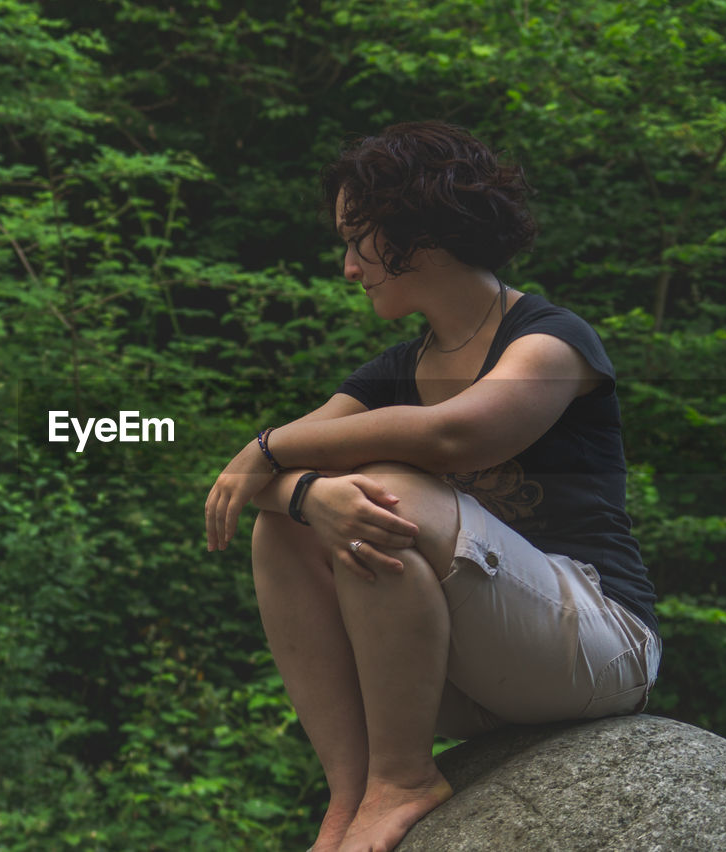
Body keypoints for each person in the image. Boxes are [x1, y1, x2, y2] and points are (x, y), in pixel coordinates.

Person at [203, 121, 660, 852]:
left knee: (379, 494)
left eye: (359, 239)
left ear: (418, 232)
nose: (350, 266)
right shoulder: (396, 367)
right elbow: (255, 480)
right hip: (469, 675)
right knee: (291, 522)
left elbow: (455, 435)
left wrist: (274, 447)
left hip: (599, 645)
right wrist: (300, 494)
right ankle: (354, 795)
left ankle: (406, 778)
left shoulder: (551, 341)